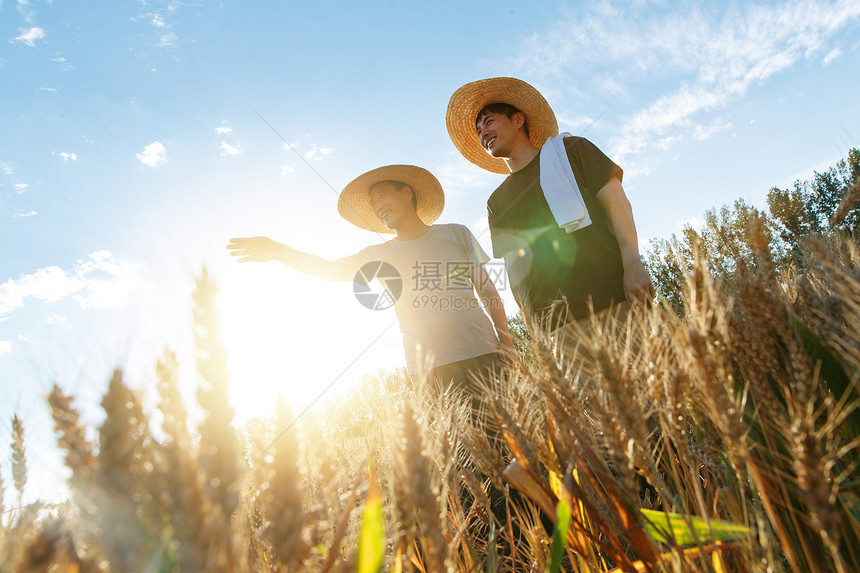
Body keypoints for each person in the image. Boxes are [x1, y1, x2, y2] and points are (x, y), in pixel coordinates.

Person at [227, 164, 515, 400]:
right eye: (373, 203)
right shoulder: (380, 255)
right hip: (429, 371)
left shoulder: (457, 233)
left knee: (510, 454)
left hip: (483, 353)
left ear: (406, 193)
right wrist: (278, 251)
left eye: (382, 196)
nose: (377, 205)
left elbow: (487, 288)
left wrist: (507, 342)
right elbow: (328, 270)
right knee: (463, 464)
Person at [446, 77, 654, 328]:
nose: (483, 133)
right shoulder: (497, 201)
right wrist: (532, 325)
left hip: (617, 298)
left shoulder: (573, 150)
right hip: (560, 326)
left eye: (489, 122)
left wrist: (633, 264)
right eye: (479, 130)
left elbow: (617, 203)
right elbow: (515, 270)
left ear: (518, 120)